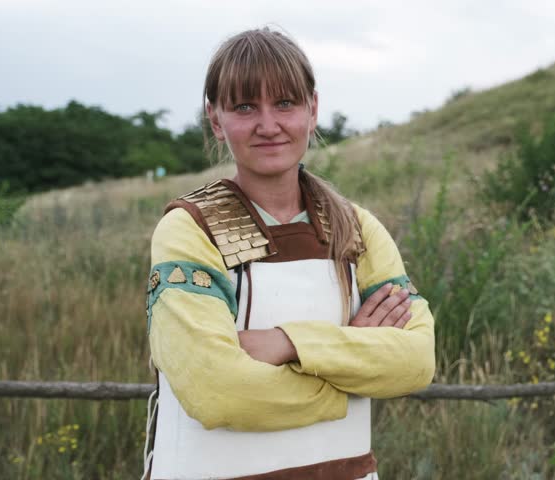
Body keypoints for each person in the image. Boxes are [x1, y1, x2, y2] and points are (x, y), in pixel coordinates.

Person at [143, 27, 435, 480]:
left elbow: (416, 361)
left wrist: (287, 343)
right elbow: (216, 391)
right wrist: (351, 380)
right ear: (215, 119)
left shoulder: (357, 230)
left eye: (285, 103)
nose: (268, 125)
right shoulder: (190, 229)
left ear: (312, 109)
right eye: (244, 107)